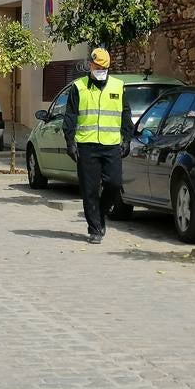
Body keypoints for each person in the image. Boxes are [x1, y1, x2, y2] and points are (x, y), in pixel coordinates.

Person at [63, 47, 132, 244]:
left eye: (104, 67)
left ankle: (100, 214)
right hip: (87, 145)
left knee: (114, 184)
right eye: (97, 66)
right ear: (90, 65)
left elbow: (126, 114)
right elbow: (70, 117)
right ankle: (95, 228)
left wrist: (126, 139)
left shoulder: (118, 87)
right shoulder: (79, 87)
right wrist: (70, 143)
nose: (100, 69)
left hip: (111, 145)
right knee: (90, 189)